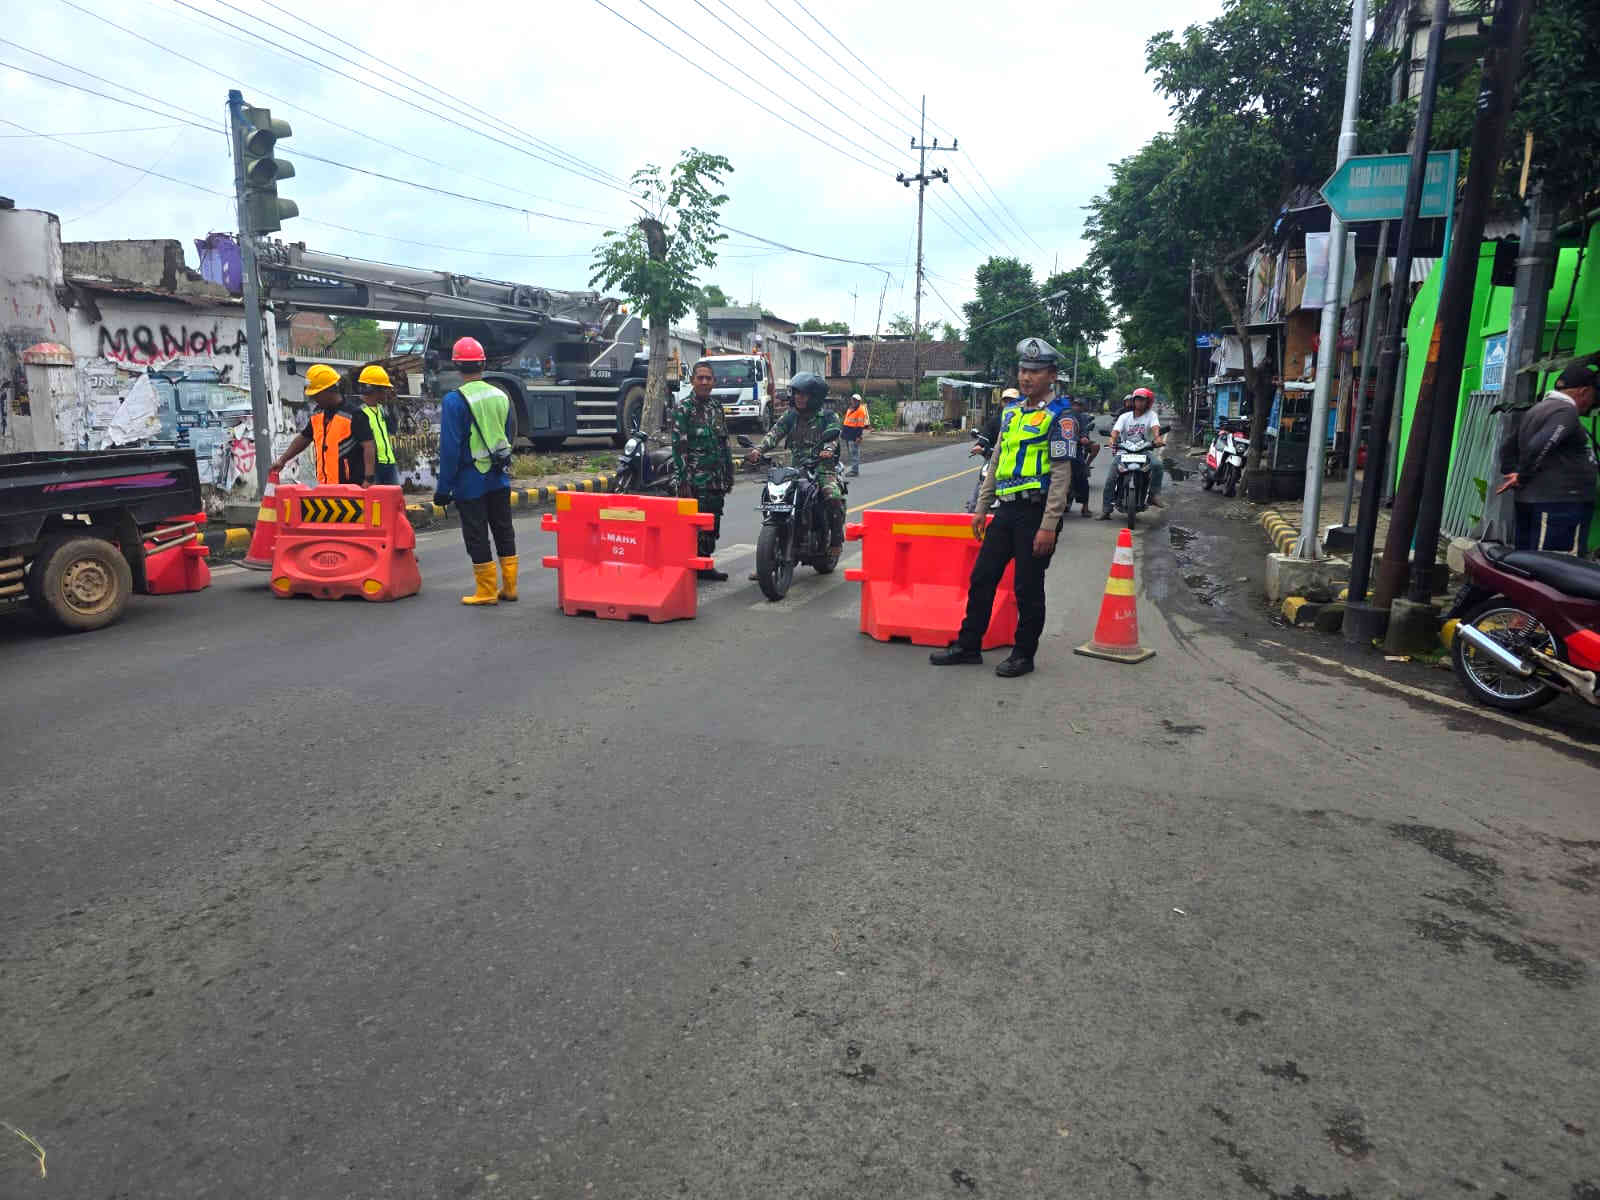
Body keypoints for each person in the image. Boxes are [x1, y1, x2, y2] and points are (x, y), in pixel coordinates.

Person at [930, 337, 1074, 679]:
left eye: (1035, 371)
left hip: (1036, 513)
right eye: (1023, 370)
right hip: (1005, 511)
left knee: (1027, 587)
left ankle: (1023, 654)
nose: (1026, 377)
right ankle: (968, 646)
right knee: (982, 578)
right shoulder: (1011, 413)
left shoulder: (1061, 418)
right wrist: (982, 507)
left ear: (1051, 375)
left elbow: (1061, 475)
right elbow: (995, 462)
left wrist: (1049, 525)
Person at [433, 336, 518, 606]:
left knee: (476, 534)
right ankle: (510, 587)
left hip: (470, 481)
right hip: (499, 477)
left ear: (457, 365)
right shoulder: (501, 395)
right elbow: (507, 435)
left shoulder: (454, 400)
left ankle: (486, 591)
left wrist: (443, 488)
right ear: (483, 363)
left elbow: (450, 448)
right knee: (504, 530)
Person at [745, 372, 844, 578]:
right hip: (796, 470)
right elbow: (774, 434)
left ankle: (835, 541)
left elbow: (834, 436)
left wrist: (828, 449)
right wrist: (758, 451)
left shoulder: (828, 417)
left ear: (814, 396)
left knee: (832, 496)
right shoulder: (790, 416)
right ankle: (767, 560)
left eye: (804, 394)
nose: (799, 397)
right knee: (773, 497)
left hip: (822, 469)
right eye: (797, 393)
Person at [1498, 353, 1598, 554]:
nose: (1594, 402)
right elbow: (1542, 444)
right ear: (1584, 391)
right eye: (1595, 395)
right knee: (1553, 565)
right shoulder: (1566, 412)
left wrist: (1513, 473)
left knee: (1527, 562)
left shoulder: (1538, 409)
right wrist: (1522, 476)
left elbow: (1508, 447)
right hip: (1558, 505)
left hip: (1536, 501)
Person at [673, 360, 736, 582]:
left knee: (712, 523)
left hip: (716, 479)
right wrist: (683, 480)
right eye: (700, 377)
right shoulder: (684, 408)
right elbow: (679, 447)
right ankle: (689, 568)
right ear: (692, 381)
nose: (704, 381)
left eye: (708, 378)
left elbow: (724, 443)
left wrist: (729, 474)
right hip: (694, 480)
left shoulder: (716, 408)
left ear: (713, 382)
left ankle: (705, 564)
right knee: (693, 527)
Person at [268, 363, 376, 486]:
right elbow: (304, 438)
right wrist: (282, 460)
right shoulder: (317, 414)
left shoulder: (354, 414)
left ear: (329, 390)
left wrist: (369, 479)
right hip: (325, 487)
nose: (314, 398)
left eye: (316, 394)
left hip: (351, 487)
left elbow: (369, 446)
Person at [1101, 387, 1165, 517]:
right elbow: (1116, 430)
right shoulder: (1124, 417)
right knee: (1111, 478)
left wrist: (1158, 438)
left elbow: (1155, 427)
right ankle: (1106, 509)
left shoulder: (1151, 415)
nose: (1140, 402)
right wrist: (1112, 439)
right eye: (1137, 400)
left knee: (1158, 465)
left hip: (1144, 451)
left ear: (1147, 402)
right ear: (1133, 401)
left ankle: (1153, 495)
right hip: (1124, 451)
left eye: (1143, 400)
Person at [965, 388, 1014, 514]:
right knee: (983, 481)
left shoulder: (1024, 421)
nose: (1009, 403)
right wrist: (979, 446)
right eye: (1006, 401)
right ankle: (973, 509)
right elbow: (985, 437)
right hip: (993, 459)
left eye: (1013, 401)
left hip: (1015, 462)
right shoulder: (995, 421)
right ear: (1002, 403)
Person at [357, 364, 401, 486]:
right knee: (375, 498)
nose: (387, 392)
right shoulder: (358, 412)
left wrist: (391, 404)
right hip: (373, 467)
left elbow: (393, 429)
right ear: (373, 389)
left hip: (389, 462)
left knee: (393, 497)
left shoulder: (382, 409)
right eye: (385, 389)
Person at [842, 393, 871, 476]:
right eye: (853, 400)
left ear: (859, 401)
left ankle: (855, 471)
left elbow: (860, 425)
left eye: (855, 400)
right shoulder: (850, 409)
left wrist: (858, 437)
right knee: (851, 453)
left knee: (854, 453)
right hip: (847, 434)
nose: (853, 401)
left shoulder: (861, 411)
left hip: (854, 435)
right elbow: (847, 421)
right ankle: (853, 469)